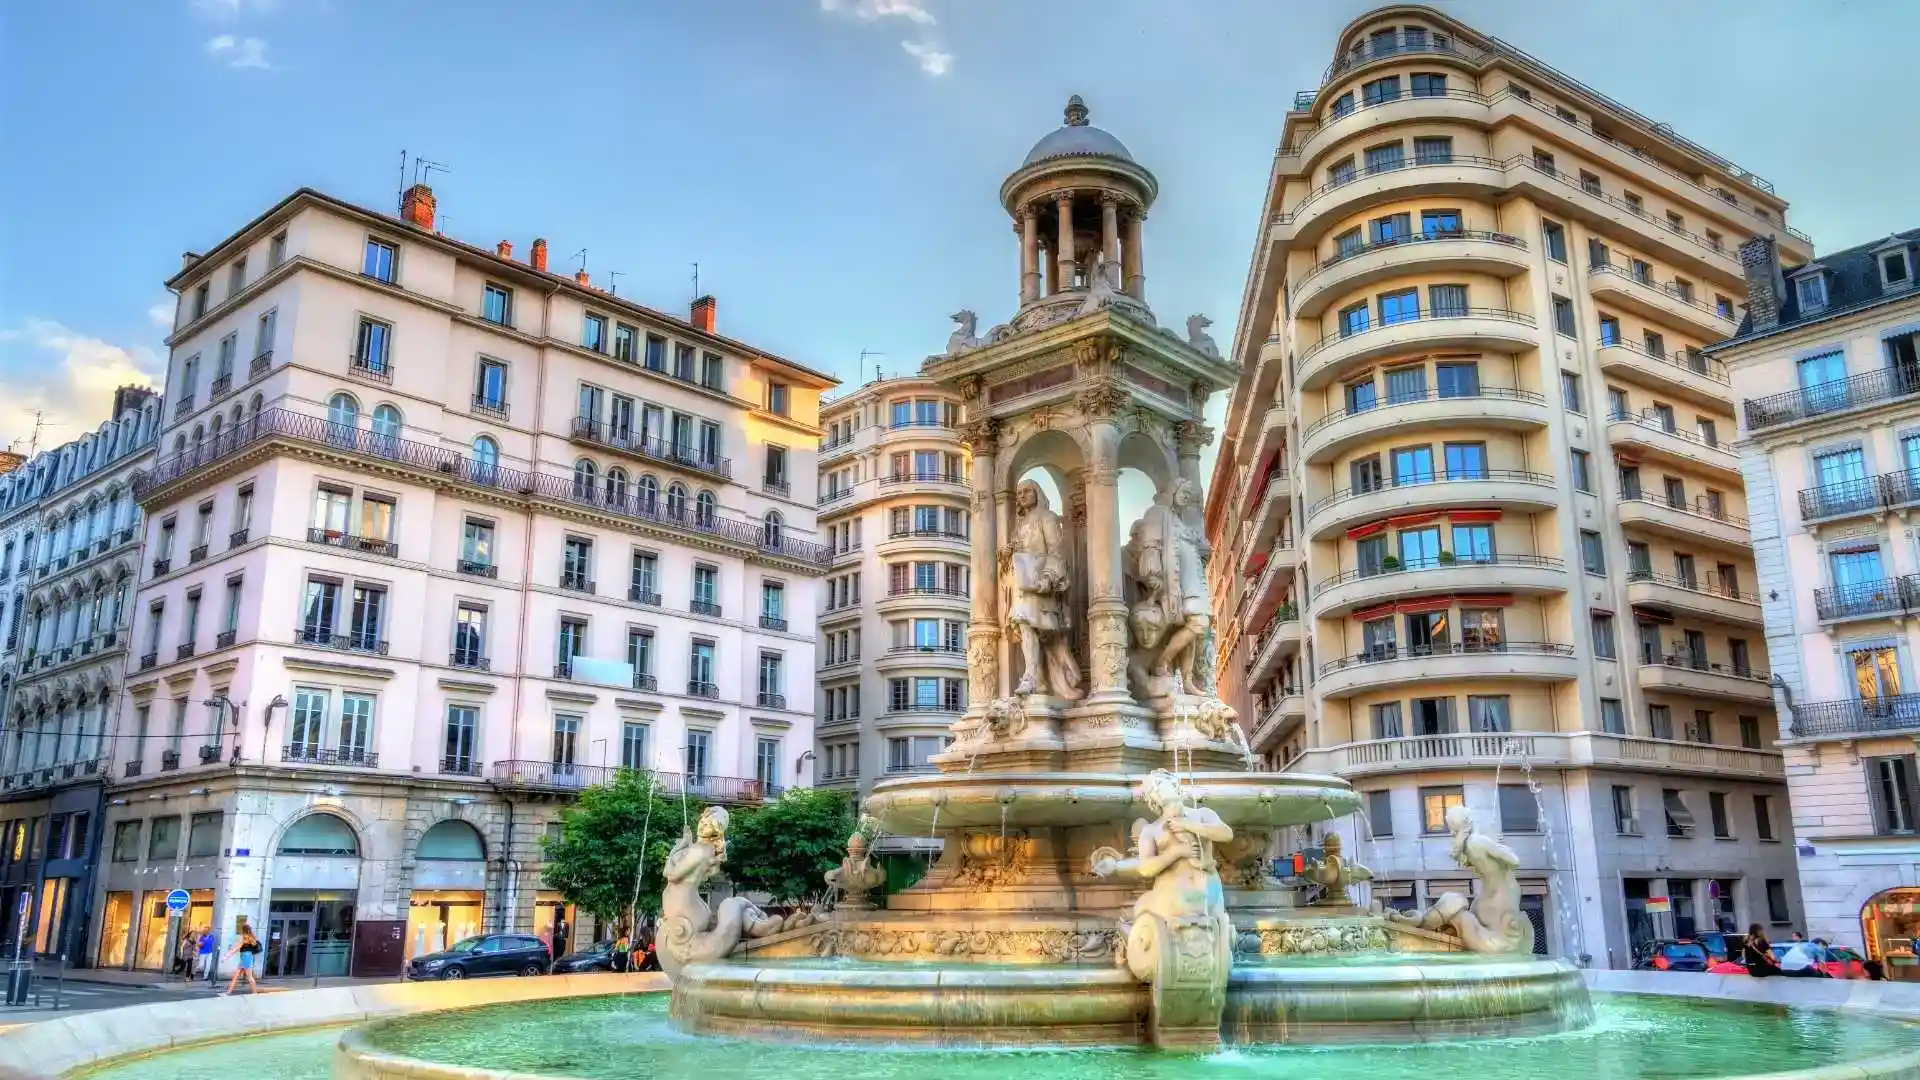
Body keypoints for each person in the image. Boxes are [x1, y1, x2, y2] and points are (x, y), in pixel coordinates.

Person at [223, 923, 262, 995]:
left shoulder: (244, 937)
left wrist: (227, 956)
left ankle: (254, 992)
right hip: (248, 957)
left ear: (243, 930)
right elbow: (253, 945)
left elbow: (237, 947)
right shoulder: (252, 938)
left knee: (246, 977)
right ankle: (229, 992)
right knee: (241, 976)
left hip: (245, 957)